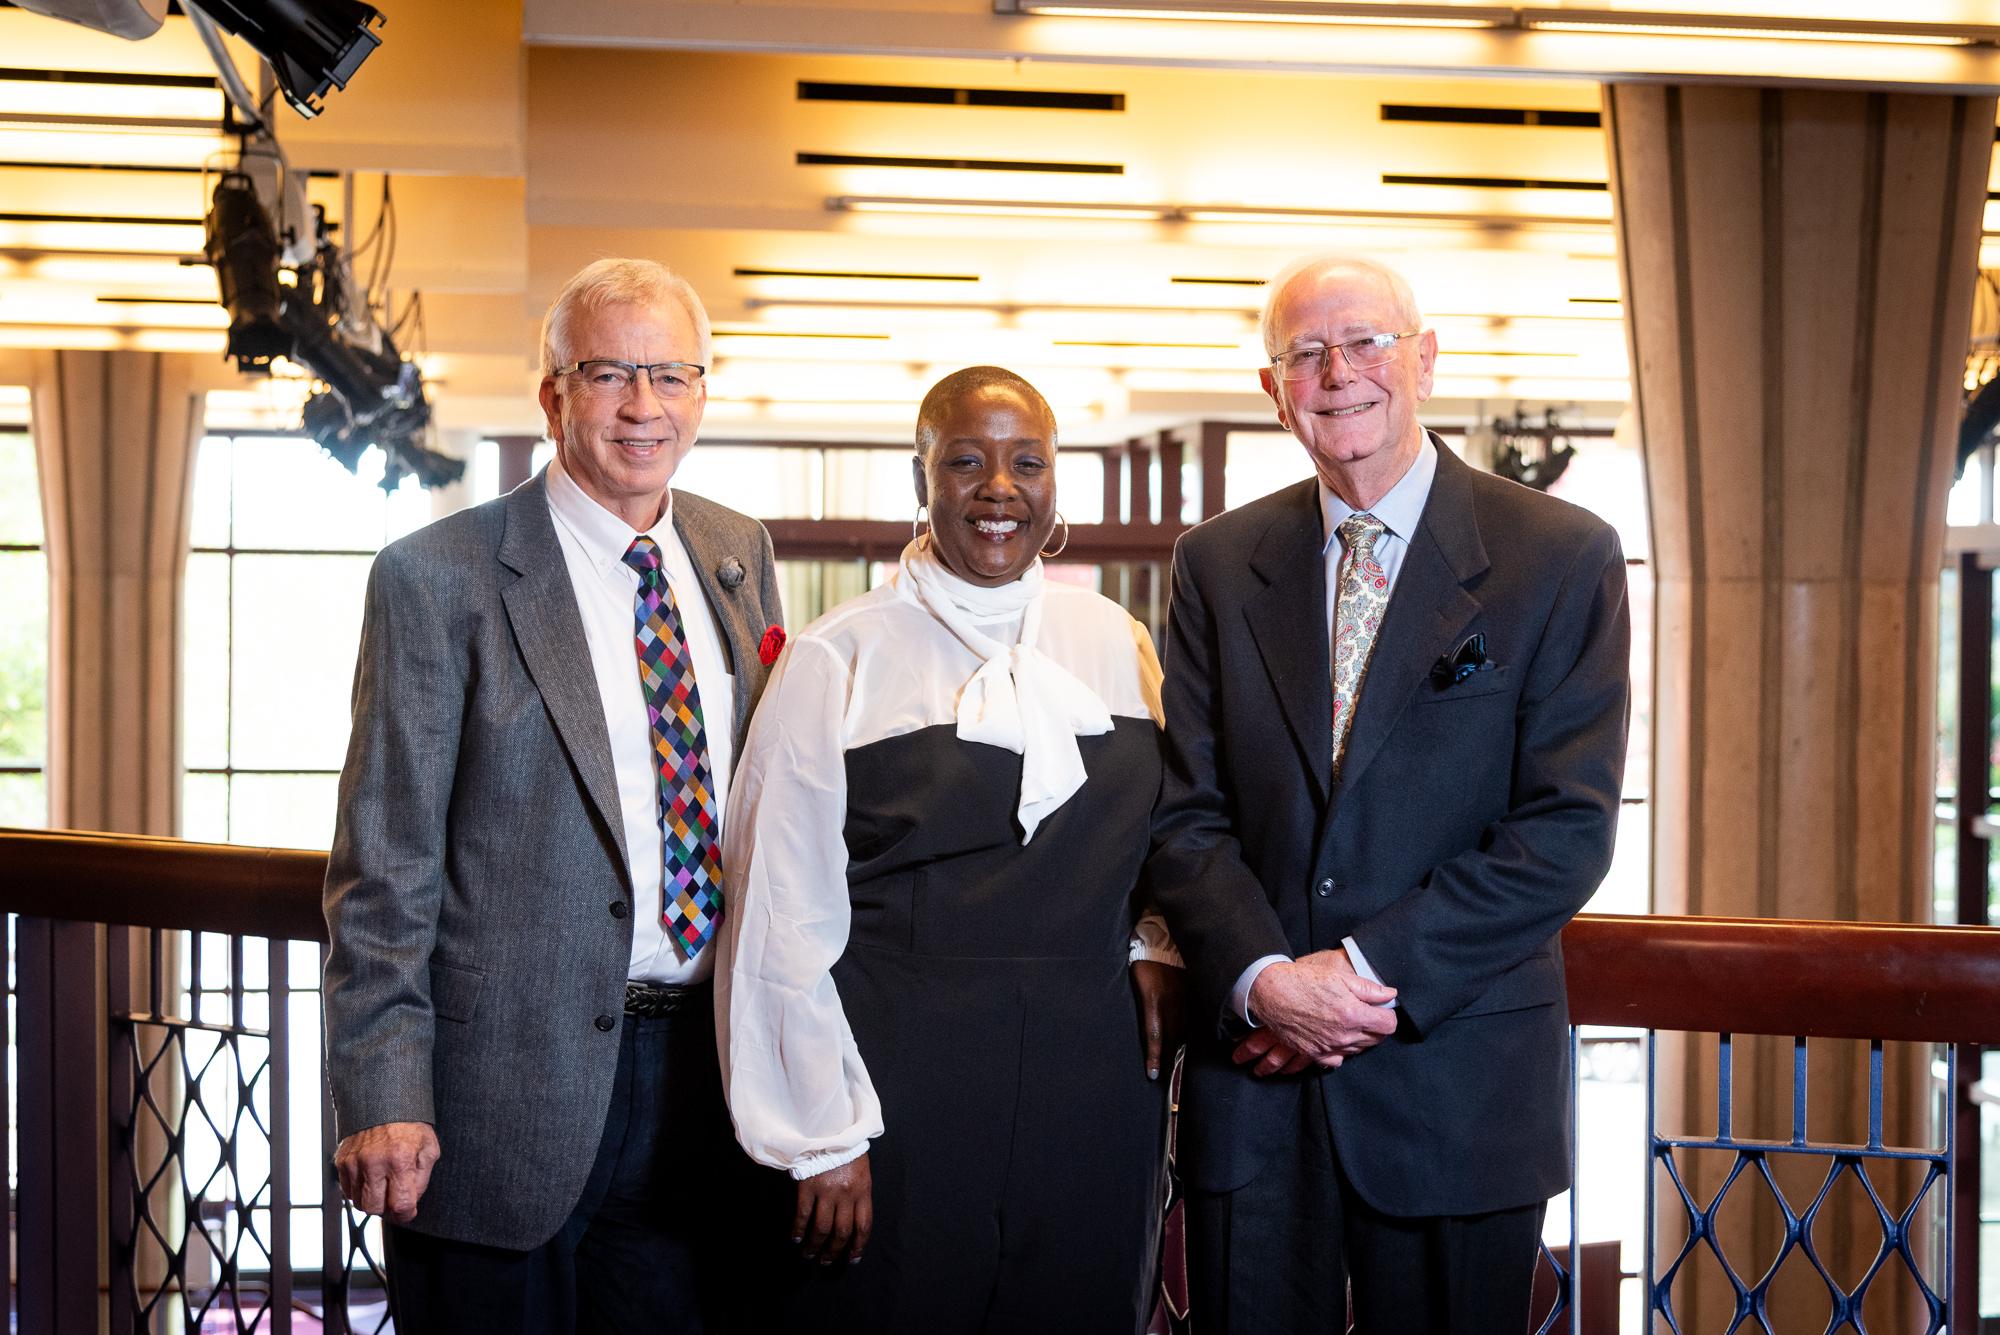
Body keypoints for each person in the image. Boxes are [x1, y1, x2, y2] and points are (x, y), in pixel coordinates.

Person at [1146, 254, 1630, 1333]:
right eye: (1305, 353)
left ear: (1423, 360)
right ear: (1273, 391)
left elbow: (1564, 829)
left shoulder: (1559, 557)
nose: (1339, 373)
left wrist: (1354, 979)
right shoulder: (1216, 563)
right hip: (1258, 1084)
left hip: (1454, 1086)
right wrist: (1267, 981)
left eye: (1365, 342)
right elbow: (1185, 814)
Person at [322, 257, 786, 1334]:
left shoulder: (736, 552)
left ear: (702, 392)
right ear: (553, 396)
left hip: (704, 1084)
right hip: (498, 1097)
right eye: (609, 373)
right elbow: (386, 864)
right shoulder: (437, 575)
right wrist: (384, 1093)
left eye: (670, 375)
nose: (643, 405)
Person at [715, 366, 1183, 1334]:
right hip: (899, 1088)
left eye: (1026, 463)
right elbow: (775, 913)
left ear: (1055, 482)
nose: (998, 488)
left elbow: (1172, 835)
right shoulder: (838, 655)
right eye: (966, 461)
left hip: (1092, 1088)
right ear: (920, 479)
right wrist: (821, 1133)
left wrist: (1155, 940)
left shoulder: (1117, 641)